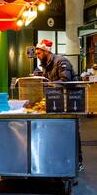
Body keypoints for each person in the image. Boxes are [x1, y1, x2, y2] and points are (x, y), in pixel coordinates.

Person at [35, 39, 83, 172]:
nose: (37, 56)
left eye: (39, 53)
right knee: (57, 130)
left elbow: (65, 81)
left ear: (46, 51)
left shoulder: (62, 62)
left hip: (70, 101)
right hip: (58, 101)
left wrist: (47, 85)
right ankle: (59, 159)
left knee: (72, 131)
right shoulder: (46, 64)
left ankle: (78, 161)